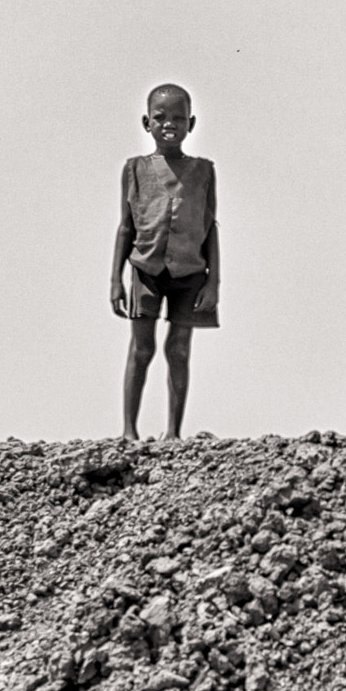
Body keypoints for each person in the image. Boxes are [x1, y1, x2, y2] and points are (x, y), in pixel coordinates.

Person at [110, 83, 220, 441]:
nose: (169, 124)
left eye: (177, 117)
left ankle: (173, 433)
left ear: (191, 123)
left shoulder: (203, 171)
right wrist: (115, 280)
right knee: (142, 348)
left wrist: (213, 283)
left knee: (179, 348)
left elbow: (210, 227)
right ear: (146, 122)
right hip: (146, 270)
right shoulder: (134, 170)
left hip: (190, 273)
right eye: (160, 117)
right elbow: (126, 226)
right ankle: (129, 430)